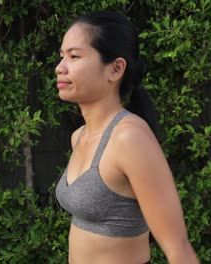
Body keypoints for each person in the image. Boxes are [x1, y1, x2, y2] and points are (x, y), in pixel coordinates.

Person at [55, 10, 199, 264]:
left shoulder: (130, 138)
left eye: (74, 56)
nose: (60, 67)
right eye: (62, 56)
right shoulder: (79, 136)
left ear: (115, 69)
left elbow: (179, 250)